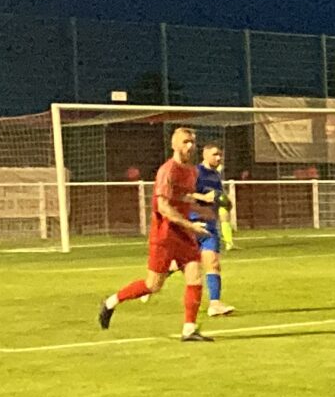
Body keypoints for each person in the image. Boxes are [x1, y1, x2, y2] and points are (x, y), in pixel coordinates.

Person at [97, 126, 215, 341]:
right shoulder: (167, 170)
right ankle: (111, 301)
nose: (190, 146)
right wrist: (191, 226)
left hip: (183, 234)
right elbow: (163, 207)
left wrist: (201, 206)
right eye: (185, 141)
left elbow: (181, 196)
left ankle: (189, 330)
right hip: (164, 234)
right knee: (153, 285)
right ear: (174, 144)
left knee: (195, 276)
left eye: (192, 142)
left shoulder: (191, 171)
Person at [192, 143, 238, 317]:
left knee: (213, 263)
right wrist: (204, 197)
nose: (218, 158)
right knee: (179, 265)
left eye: (220, 155)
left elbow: (218, 198)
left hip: (209, 226)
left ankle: (215, 304)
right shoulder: (196, 172)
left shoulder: (216, 175)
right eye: (215, 154)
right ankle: (150, 286)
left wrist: (225, 203)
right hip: (193, 224)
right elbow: (185, 194)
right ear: (204, 154)